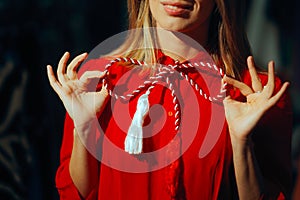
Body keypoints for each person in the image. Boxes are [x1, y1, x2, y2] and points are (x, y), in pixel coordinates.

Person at [47, 0, 293, 199]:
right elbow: (75, 193)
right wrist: (84, 129)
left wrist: (242, 143)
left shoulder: (256, 93)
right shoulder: (99, 79)